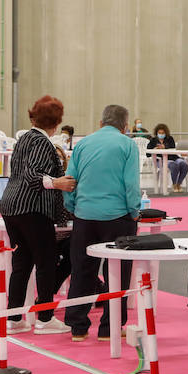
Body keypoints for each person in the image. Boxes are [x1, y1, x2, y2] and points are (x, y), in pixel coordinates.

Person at [0, 95, 77, 334]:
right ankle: (45, 317)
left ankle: (14, 318)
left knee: (21, 263)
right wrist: (58, 183)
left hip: (11, 207)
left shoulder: (23, 138)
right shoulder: (43, 143)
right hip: (32, 209)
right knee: (45, 261)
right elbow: (33, 176)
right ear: (56, 122)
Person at [63, 104, 142, 342]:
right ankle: (110, 328)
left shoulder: (83, 143)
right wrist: (135, 211)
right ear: (125, 126)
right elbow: (131, 183)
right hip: (117, 217)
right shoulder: (127, 145)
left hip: (85, 216)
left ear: (100, 123)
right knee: (117, 273)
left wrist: (72, 206)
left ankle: (77, 326)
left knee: (81, 271)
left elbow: (69, 180)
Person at [148, 123, 188, 192]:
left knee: (184, 164)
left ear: (166, 133)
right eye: (159, 133)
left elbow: (173, 148)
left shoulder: (170, 139)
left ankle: (178, 183)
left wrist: (165, 147)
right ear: (156, 133)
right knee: (173, 165)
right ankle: (174, 184)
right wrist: (155, 149)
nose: (161, 134)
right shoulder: (153, 140)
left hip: (173, 157)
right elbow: (148, 153)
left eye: (163, 133)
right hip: (161, 160)